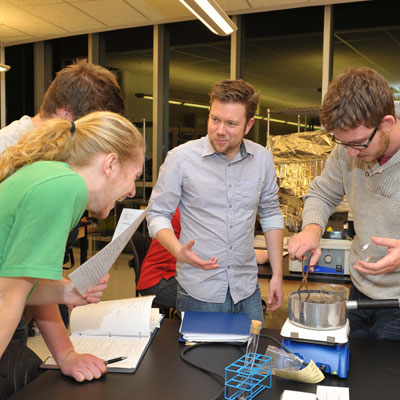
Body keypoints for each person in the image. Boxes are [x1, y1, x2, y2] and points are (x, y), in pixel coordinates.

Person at [0, 59, 126, 381]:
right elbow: (12, 286)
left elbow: (28, 271)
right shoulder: (34, 165)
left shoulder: (55, 165)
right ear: (67, 115)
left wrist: (66, 352)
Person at [146, 79, 284, 324]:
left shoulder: (262, 159)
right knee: (201, 360)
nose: (220, 130)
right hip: (200, 290)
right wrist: (177, 250)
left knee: (248, 359)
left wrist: (277, 275)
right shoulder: (181, 159)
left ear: (249, 124)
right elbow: (156, 214)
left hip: (247, 290)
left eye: (231, 124)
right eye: (215, 119)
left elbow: (271, 215)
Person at [288, 66, 400, 340]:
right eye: (342, 142)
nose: (349, 152)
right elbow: (323, 193)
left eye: (359, 143)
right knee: (355, 370)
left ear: (387, 123)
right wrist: (312, 229)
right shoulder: (347, 149)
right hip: (361, 287)